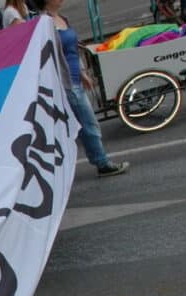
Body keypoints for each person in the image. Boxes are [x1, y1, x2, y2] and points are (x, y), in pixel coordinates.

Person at [31, 0, 130, 177]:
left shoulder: (62, 18)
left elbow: (73, 50)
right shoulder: (43, 23)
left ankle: (51, 169)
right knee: (88, 125)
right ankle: (101, 163)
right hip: (65, 84)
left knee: (72, 127)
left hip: (75, 81)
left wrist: (83, 73)